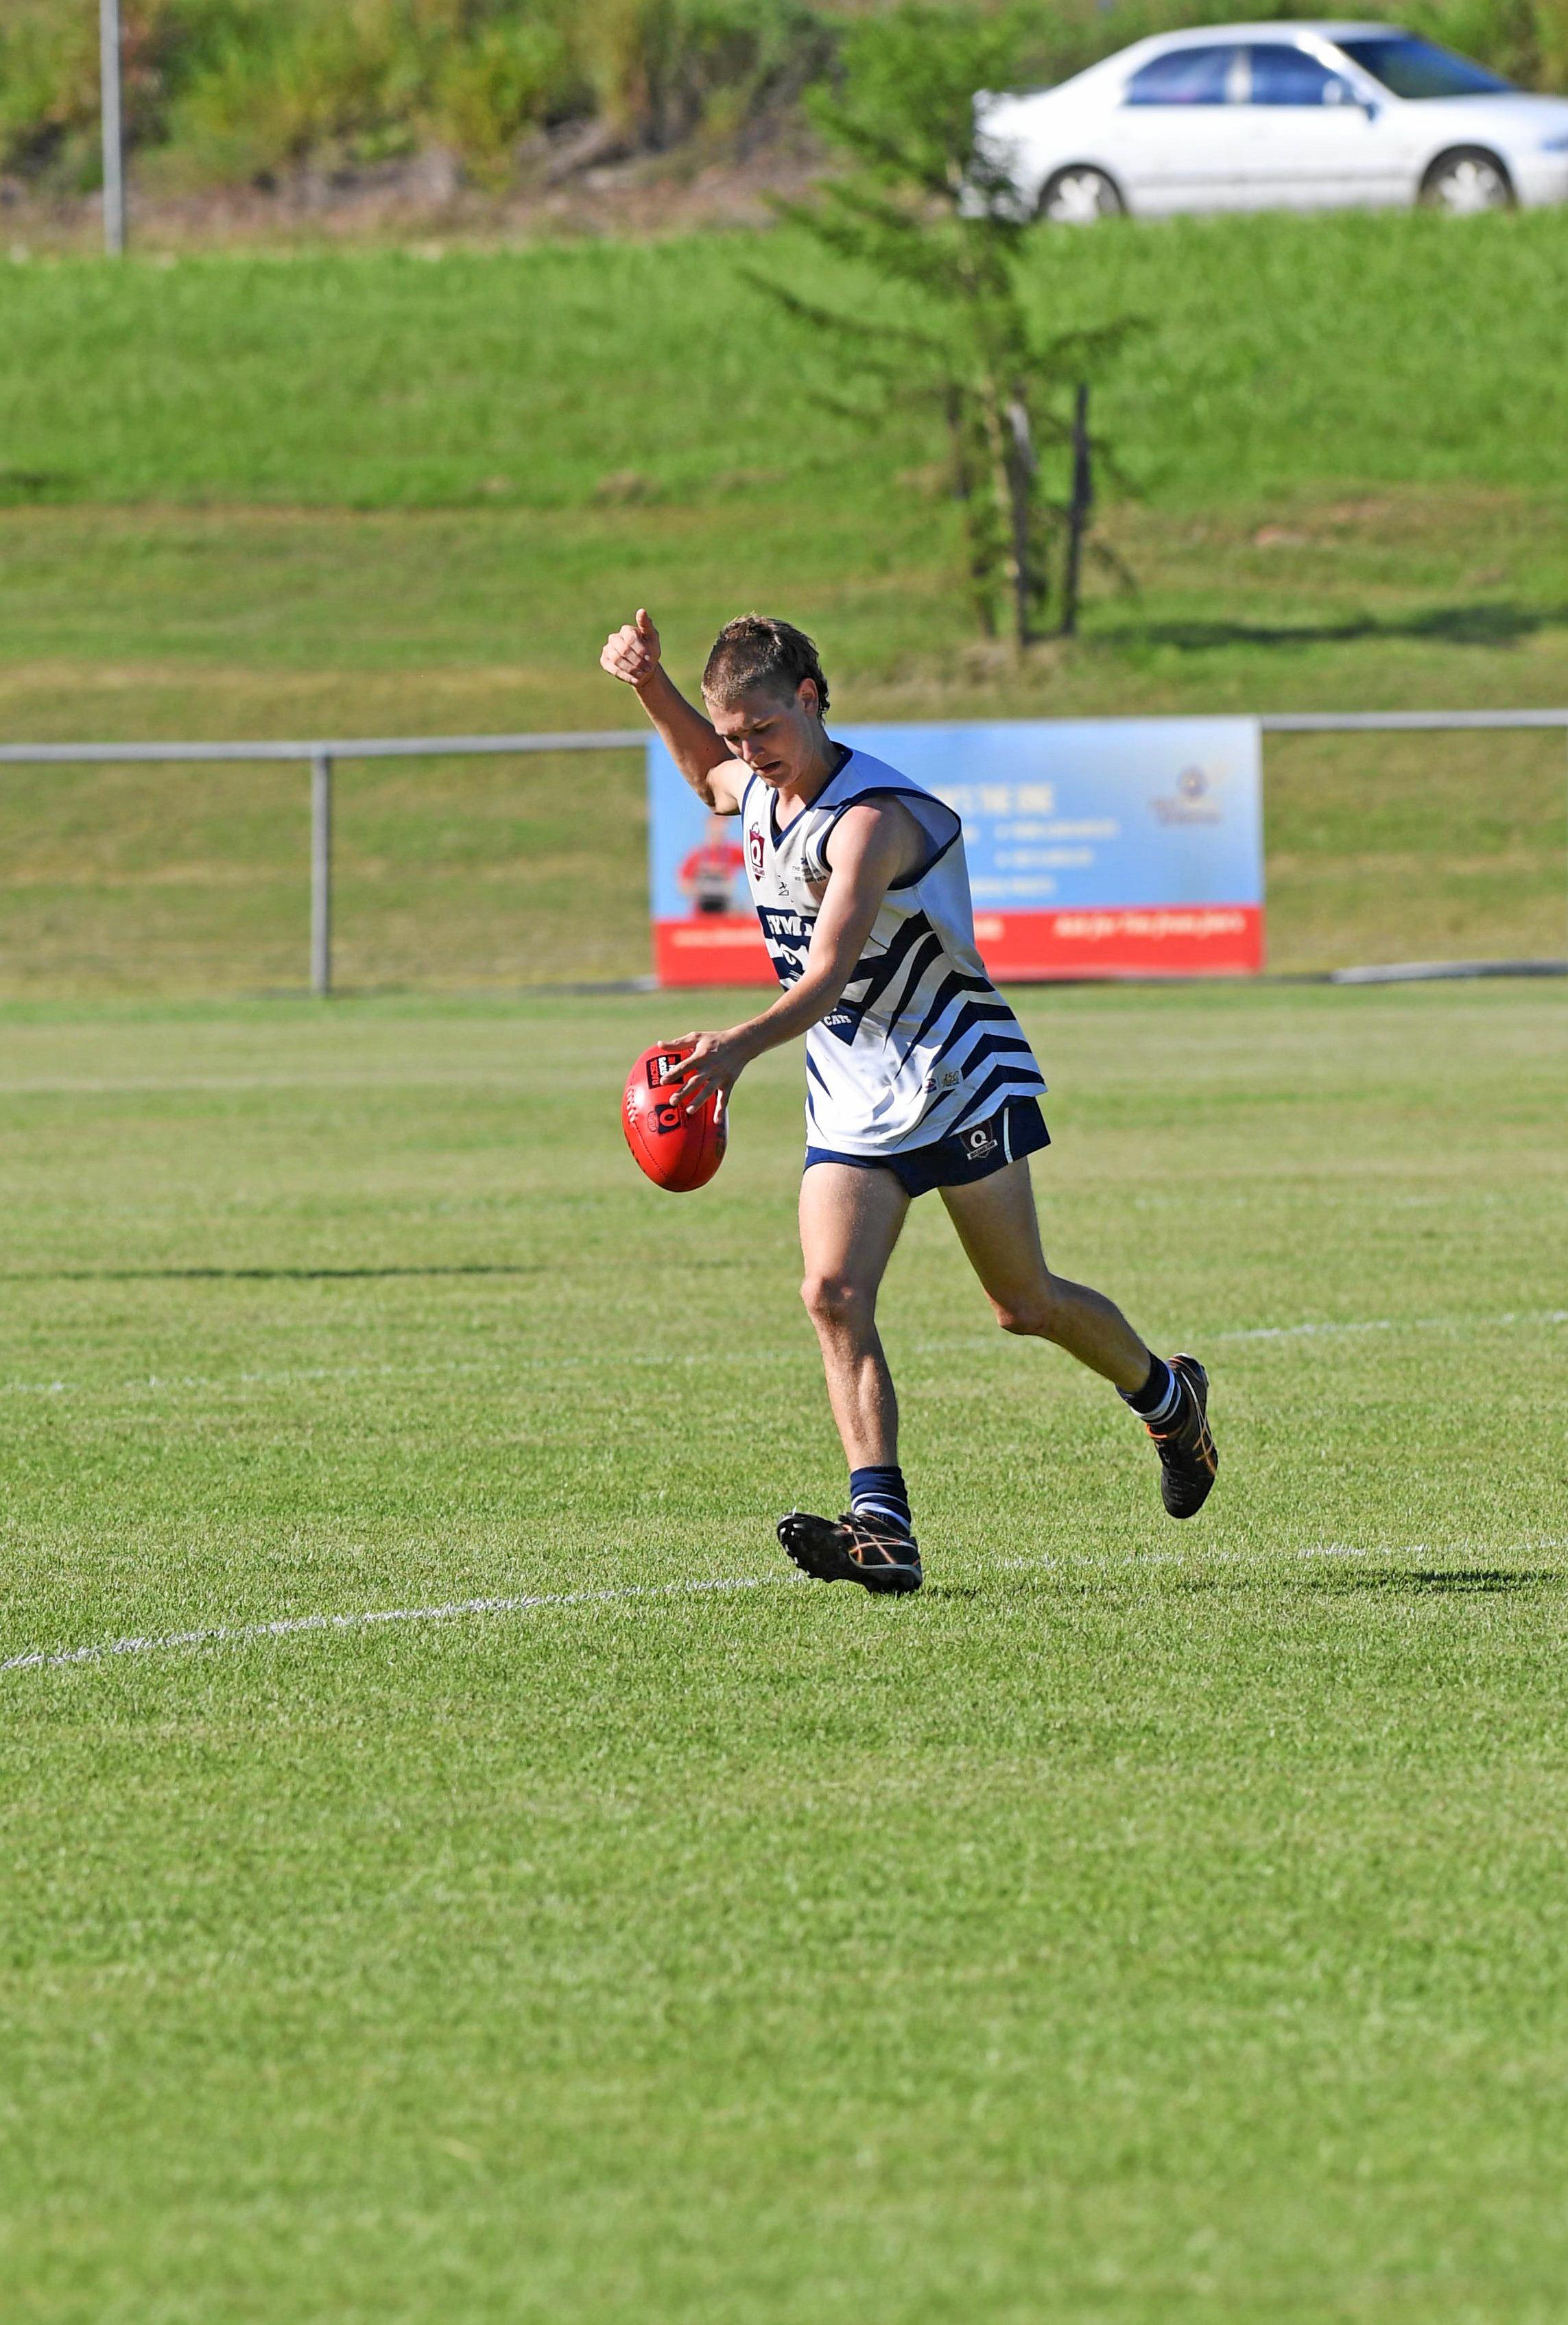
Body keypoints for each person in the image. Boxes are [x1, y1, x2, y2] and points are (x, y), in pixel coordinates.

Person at [600, 608, 1218, 1595]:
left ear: (808, 698)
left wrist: (734, 1049)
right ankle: (881, 1525)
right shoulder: (754, 787)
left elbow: (832, 967)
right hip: (850, 1088)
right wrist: (648, 685)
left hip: (953, 1072)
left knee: (1023, 1304)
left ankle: (1167, 1398)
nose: (746, 754)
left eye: (762, 728)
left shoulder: (872, 816)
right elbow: (704, 778)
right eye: (732, 735)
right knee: (831, 1293)